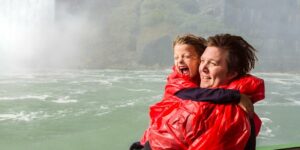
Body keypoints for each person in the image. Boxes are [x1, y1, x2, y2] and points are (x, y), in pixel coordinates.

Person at [130, 34, 264, 150]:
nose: (203, 68)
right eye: (203, 61)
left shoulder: (225, 113)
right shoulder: (183, 86)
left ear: (232, 73)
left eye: (213, 63)